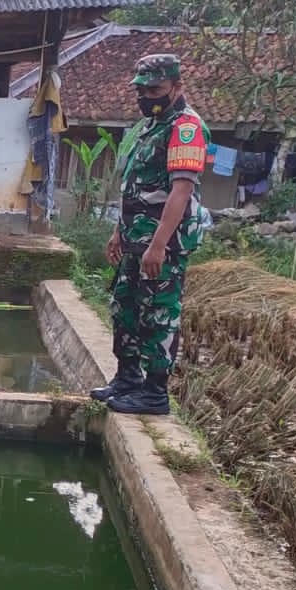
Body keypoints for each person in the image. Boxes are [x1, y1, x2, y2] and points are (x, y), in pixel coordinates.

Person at [91, 54, 213, 416]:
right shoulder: (150, 126)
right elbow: (135, 188)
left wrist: (158, 245)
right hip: (135, 237)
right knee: (125, 308)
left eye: (155, 89)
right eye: (141, 90)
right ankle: (127, 379)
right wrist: (119, 233)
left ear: (177, 87)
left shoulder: (185, 127)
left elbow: (180, 192)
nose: (146, 96)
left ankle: (154, 393)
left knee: (158, 314)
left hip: (164, 242)